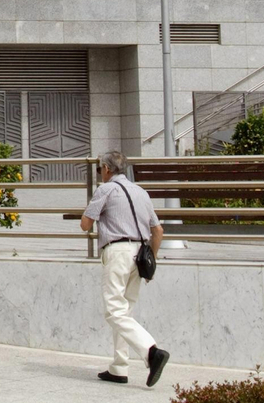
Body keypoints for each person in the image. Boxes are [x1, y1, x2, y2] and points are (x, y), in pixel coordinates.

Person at [80, 149, 169, 386]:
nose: (100, 173)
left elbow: (85, 224)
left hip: (117, 252)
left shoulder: (106, 189)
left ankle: (152, 351)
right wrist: (152, 261)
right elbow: (158, 230)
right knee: (124, 312)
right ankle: (119, 368)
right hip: (140, 255)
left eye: (100, 169)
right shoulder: (141, 192)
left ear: (106, 169)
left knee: (114, 311)